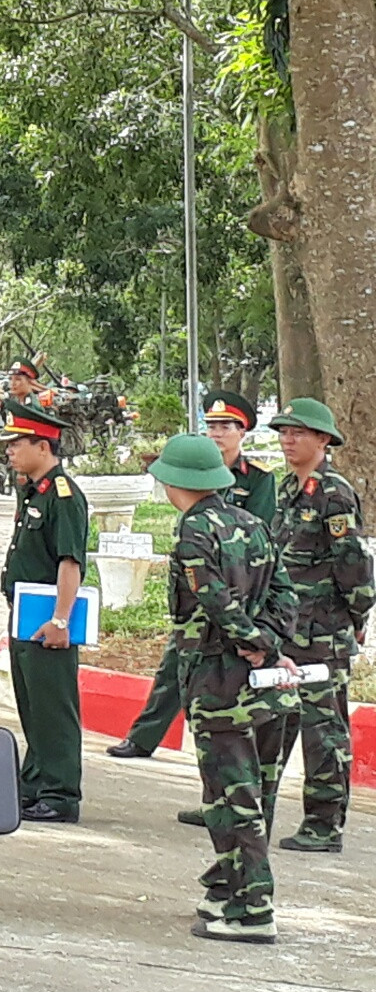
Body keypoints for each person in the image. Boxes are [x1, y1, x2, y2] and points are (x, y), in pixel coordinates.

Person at [149, 434, 296, 943]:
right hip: (263, 683)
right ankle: (228, 886)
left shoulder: (194, 530)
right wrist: (271, 644)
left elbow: (211, 597)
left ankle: (253, 909)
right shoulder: (252, 523)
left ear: (174, 481)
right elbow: (284, 592)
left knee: (231, 797)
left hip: (219, 680)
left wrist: (252, 641)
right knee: (254, 792)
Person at [110, 391, 278, 772]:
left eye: (226, 427)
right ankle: (144, 736)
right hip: (200, 590)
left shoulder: (258, 480)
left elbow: (260, 533)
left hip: (238, 589)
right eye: (212, 427)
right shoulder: (190, 475)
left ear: (243, 432)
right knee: (174, 665)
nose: (217, 434)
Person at [267, 397, 371, 855]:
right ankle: (257, 807)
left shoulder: (334, 493)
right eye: (284, 433)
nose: (289, 441)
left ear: (323, 440)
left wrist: (359, 614)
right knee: (273, 721)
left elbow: (353, 564)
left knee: (323, 730)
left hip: (323, 633)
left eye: (299, 433)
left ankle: (325, 824)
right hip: (287, 630)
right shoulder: (288, 490)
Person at [0, 398, 87, 823]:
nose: (10, 451)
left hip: (49, 615)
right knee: (32, 703)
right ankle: (36, 781)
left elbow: (70, 562)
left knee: (54, 707)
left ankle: (61, 792)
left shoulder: (63, 496)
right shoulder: (34, 490)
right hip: (24, 612)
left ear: (43, 445)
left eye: (18, 443)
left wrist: (61, 619)